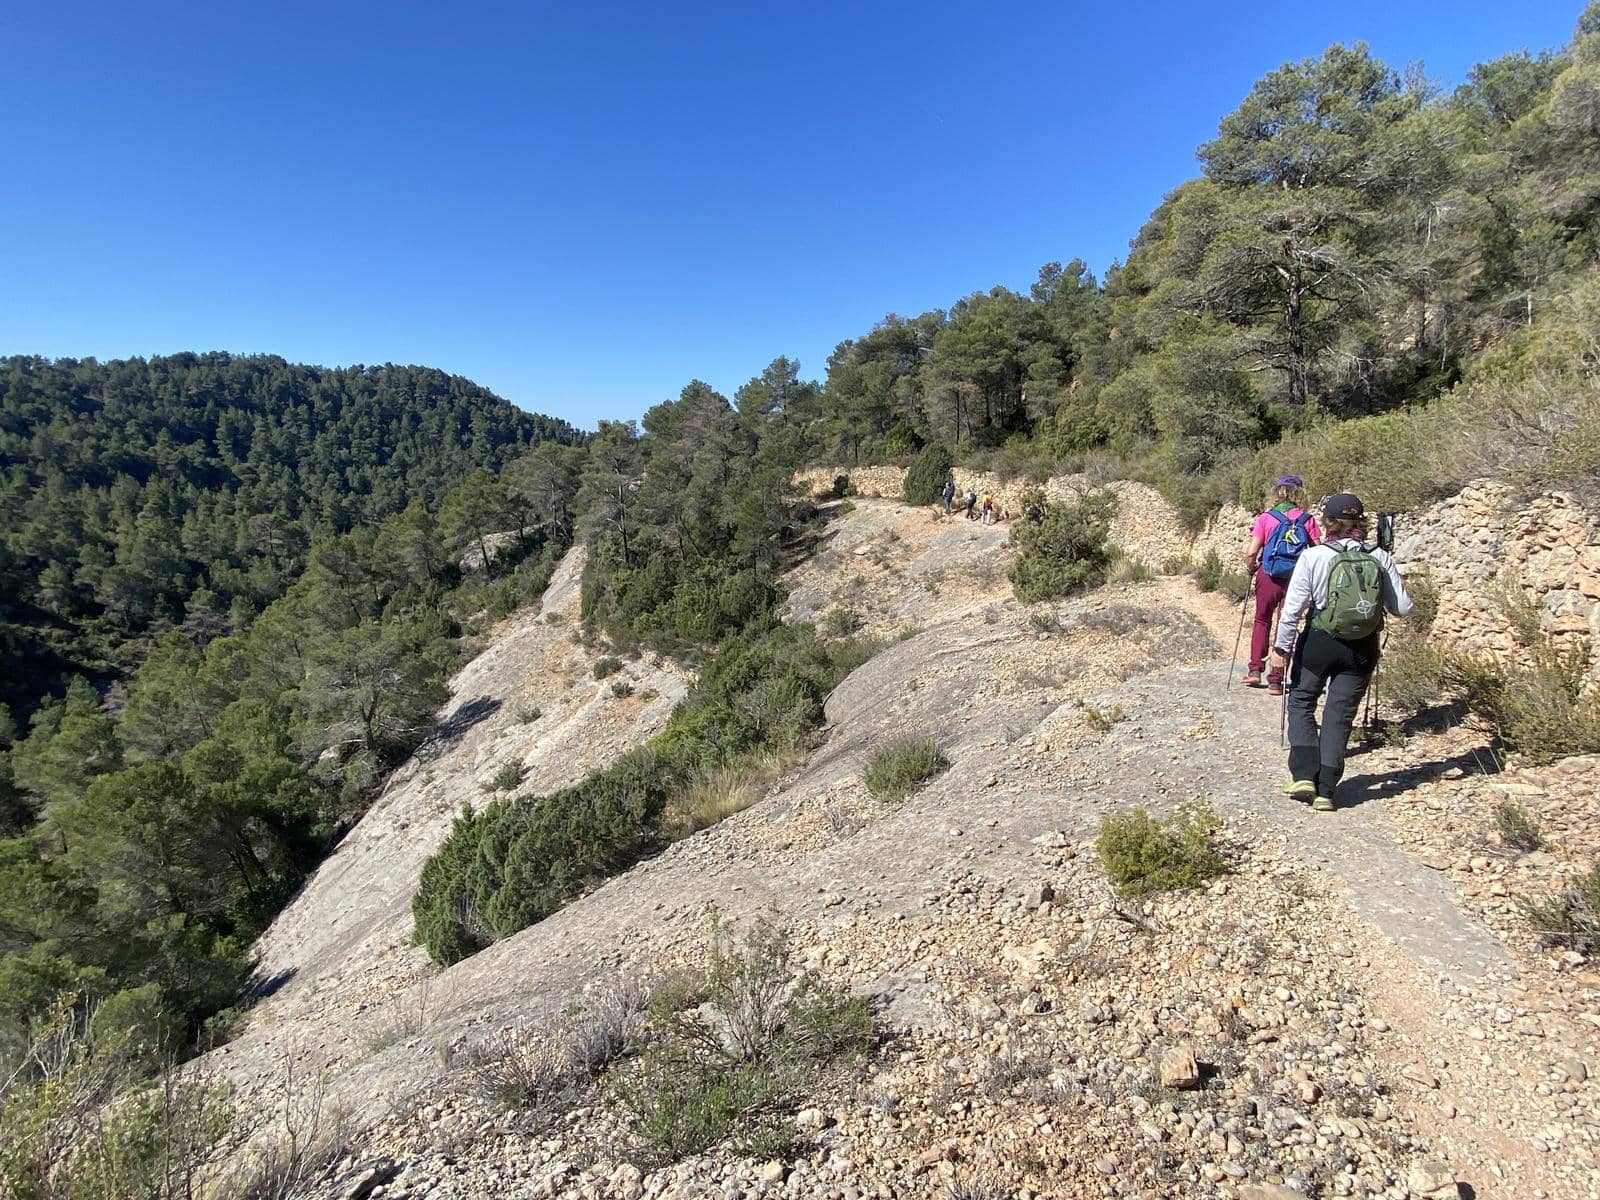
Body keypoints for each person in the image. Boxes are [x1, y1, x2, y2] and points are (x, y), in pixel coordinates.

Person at [1270, 493, 1412, 812]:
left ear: (1327, 523)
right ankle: (1326, 791)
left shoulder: (1315, 556)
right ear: (1361, 521)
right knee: (1340, 713)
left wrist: (1281, 648)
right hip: (1362, 647)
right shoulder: (1379, 557)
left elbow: (1292, 610)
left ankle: (1304, 774)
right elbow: (1401, 607)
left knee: (1303, 700)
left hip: (1319, 641)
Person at [1242, 476, 1321, 695]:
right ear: (1300, 494)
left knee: (1261, 619)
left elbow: (1250, 552)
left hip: (1269, 574)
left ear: (1277, 492)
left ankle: (1255, 670)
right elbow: (1318, 550)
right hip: (1297, 578)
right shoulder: (1307, 519)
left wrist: (1252, 568)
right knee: (1286, 622)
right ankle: (1276, 680)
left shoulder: (1266, 518)